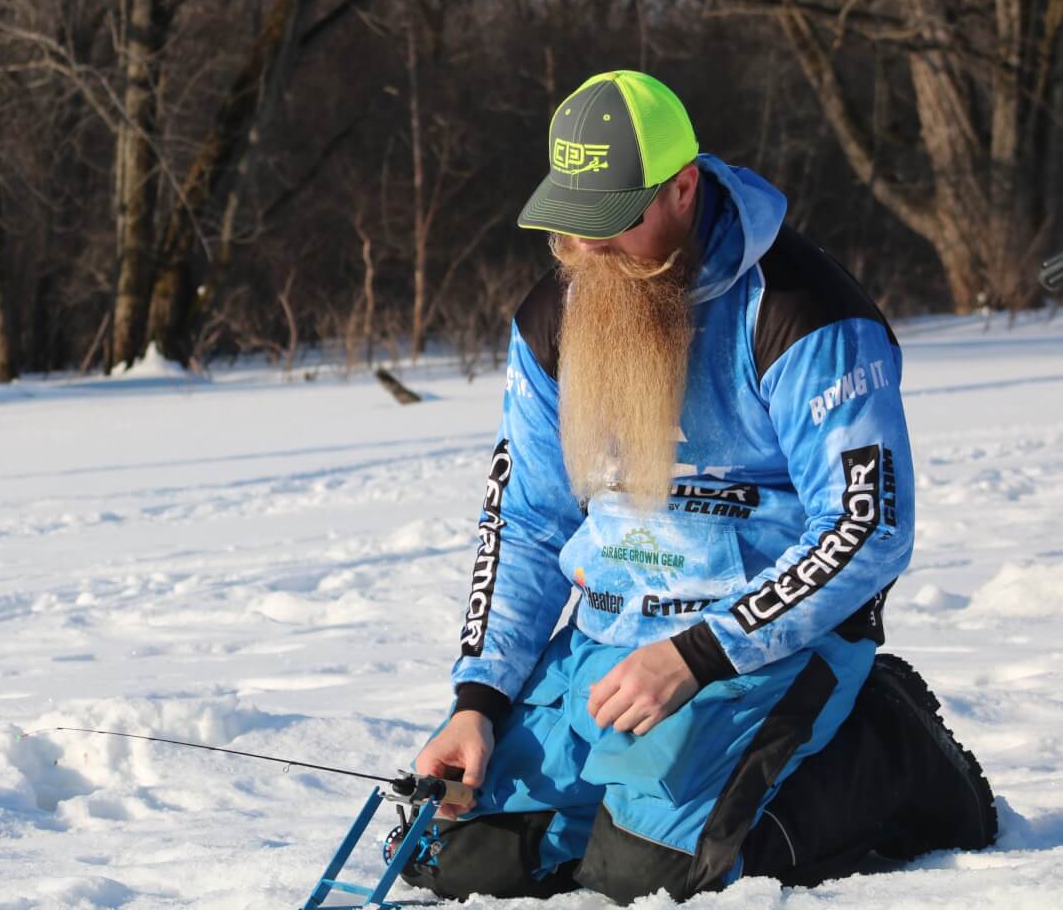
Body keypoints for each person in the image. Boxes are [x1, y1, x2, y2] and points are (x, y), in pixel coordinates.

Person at [402, 71, 998, 904]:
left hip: (761, 640)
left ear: (683, 188)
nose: (589, 251)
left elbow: (867, 528)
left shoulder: (804, 310)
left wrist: (700, 653)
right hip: (609, 635)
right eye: (571, 227)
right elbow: (527, 521)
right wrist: (479, 696)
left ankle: (884, 747)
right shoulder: (553, 316)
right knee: (455, 859)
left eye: (612, 223)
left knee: (651, 880)